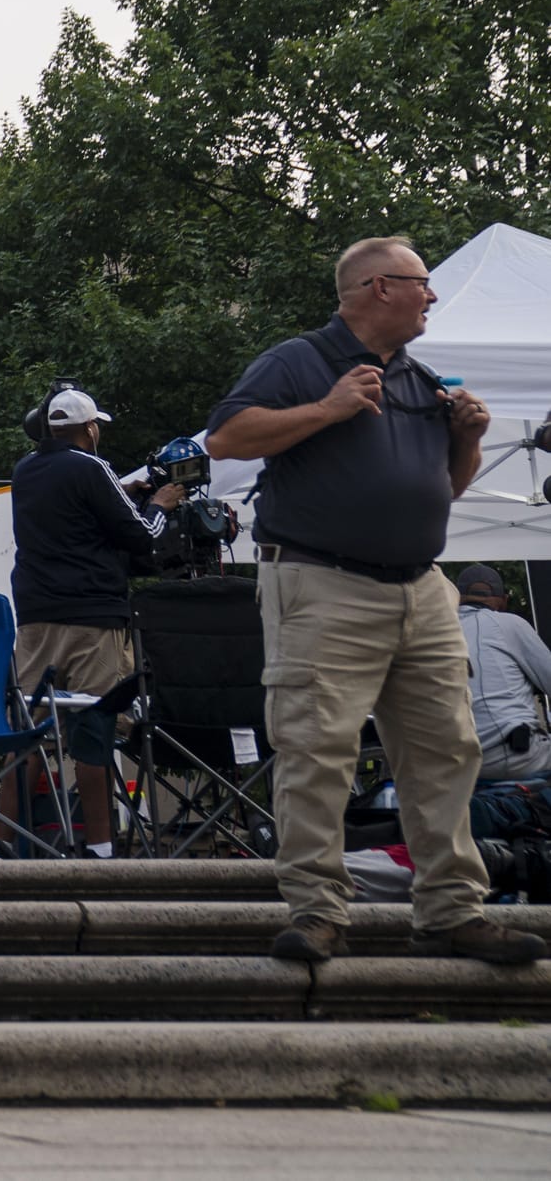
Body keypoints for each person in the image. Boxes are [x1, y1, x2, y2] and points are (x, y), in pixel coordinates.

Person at [206, 236, 543, 965]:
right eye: (421, 284)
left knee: (446, 751)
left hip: (421, 588)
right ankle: (320, 910)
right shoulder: (298, 361)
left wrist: (469, 442)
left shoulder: (419, 379)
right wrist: (328, 408)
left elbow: (443, 490)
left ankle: (453, 908)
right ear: (374, 287)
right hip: (322, 582)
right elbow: (226, 437)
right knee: (318, 750)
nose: (432, 296)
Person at [5, 388, 181, 856]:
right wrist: (160, 503)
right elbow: (143, 538)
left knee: (31, 733)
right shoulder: (91, 466)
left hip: (36, 619)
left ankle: (3, 845)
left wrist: (120, 492)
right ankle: (100, 848)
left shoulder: (25, 471)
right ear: (89, 429)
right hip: (92, 618)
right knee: (93, 725)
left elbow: (72, 508)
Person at [455, 567, 551, 783]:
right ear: (503, 600)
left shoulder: (436, 630)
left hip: (451, 764)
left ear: (458, 598)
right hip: (514, 756)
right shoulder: (510, 623)